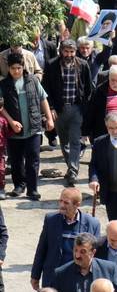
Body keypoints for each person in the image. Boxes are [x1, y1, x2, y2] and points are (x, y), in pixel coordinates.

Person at [0, 51, 54, 200]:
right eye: (13, 68)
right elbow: (0, 107)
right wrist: (11, 122)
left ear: (23, 67)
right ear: (8, 68)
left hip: (34, 128)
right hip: (14, 130)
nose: (16, 71)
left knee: (33, 160)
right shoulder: (4, 85)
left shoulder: (33, 81)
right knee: (16, 160)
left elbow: (43, 99)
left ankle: (32, 189)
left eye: (18, 68)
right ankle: (19, 185)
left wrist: (49, 119)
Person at [31, 188, 101, 287]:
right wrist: (35, 275)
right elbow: (42, 249)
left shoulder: (92, 224)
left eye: (66, 203)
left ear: (77, 204)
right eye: (60, 201)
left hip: (78, 278)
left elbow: (96, 255)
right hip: (53, 276)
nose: (62, 205)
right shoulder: (50, 220)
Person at [48, 233, 117, 292]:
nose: (77, 255)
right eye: (75, 250)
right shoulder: (61, 274)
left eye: (83, 252)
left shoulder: (109, 269)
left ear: (93, 252)